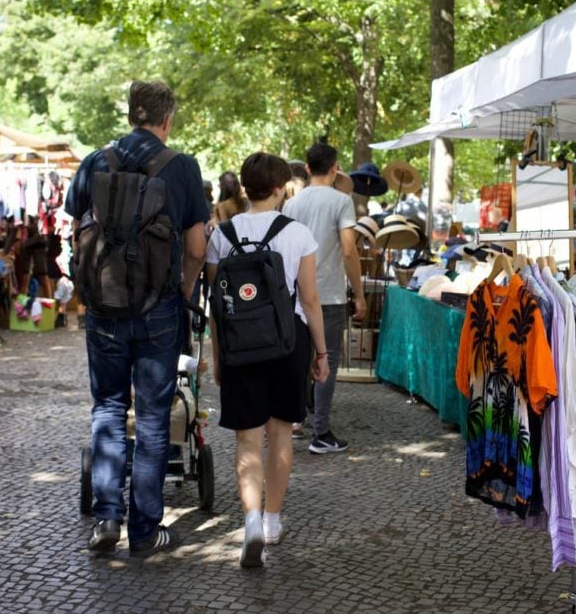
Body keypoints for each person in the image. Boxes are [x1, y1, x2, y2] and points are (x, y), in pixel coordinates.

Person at [65, 80, 208, 556]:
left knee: (107, 408)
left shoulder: (93, 162)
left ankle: (106, 520)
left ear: (131, 115)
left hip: (103, 309)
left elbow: (74, 235)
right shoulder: (182, 168)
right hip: (159, 310)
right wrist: (182, 291)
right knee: (151, 419)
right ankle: (145, 530)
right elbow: (195, 248)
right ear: (168, 120)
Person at [205, 152, 329, 568]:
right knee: (279, 434)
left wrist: (218, 358)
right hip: (287, 343)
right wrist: (322, 353)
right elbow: (310, 301)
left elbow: (218, 308)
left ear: (244, 187)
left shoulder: (221, 234)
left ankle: (251, 520)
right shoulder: (298, 234)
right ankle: (273, 520)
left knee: (246, 438)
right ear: (280, 188)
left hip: (241, 346)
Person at [282, 141, 366, 454]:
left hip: (295, 292)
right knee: (326, 358)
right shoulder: (341, 202)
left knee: (298, 358)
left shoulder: (292, 205)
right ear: (335, 169)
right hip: (328, 293)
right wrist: (359, 294)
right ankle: (321, 431)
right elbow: (348, 249)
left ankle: (294, 421)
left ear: (306, 168)